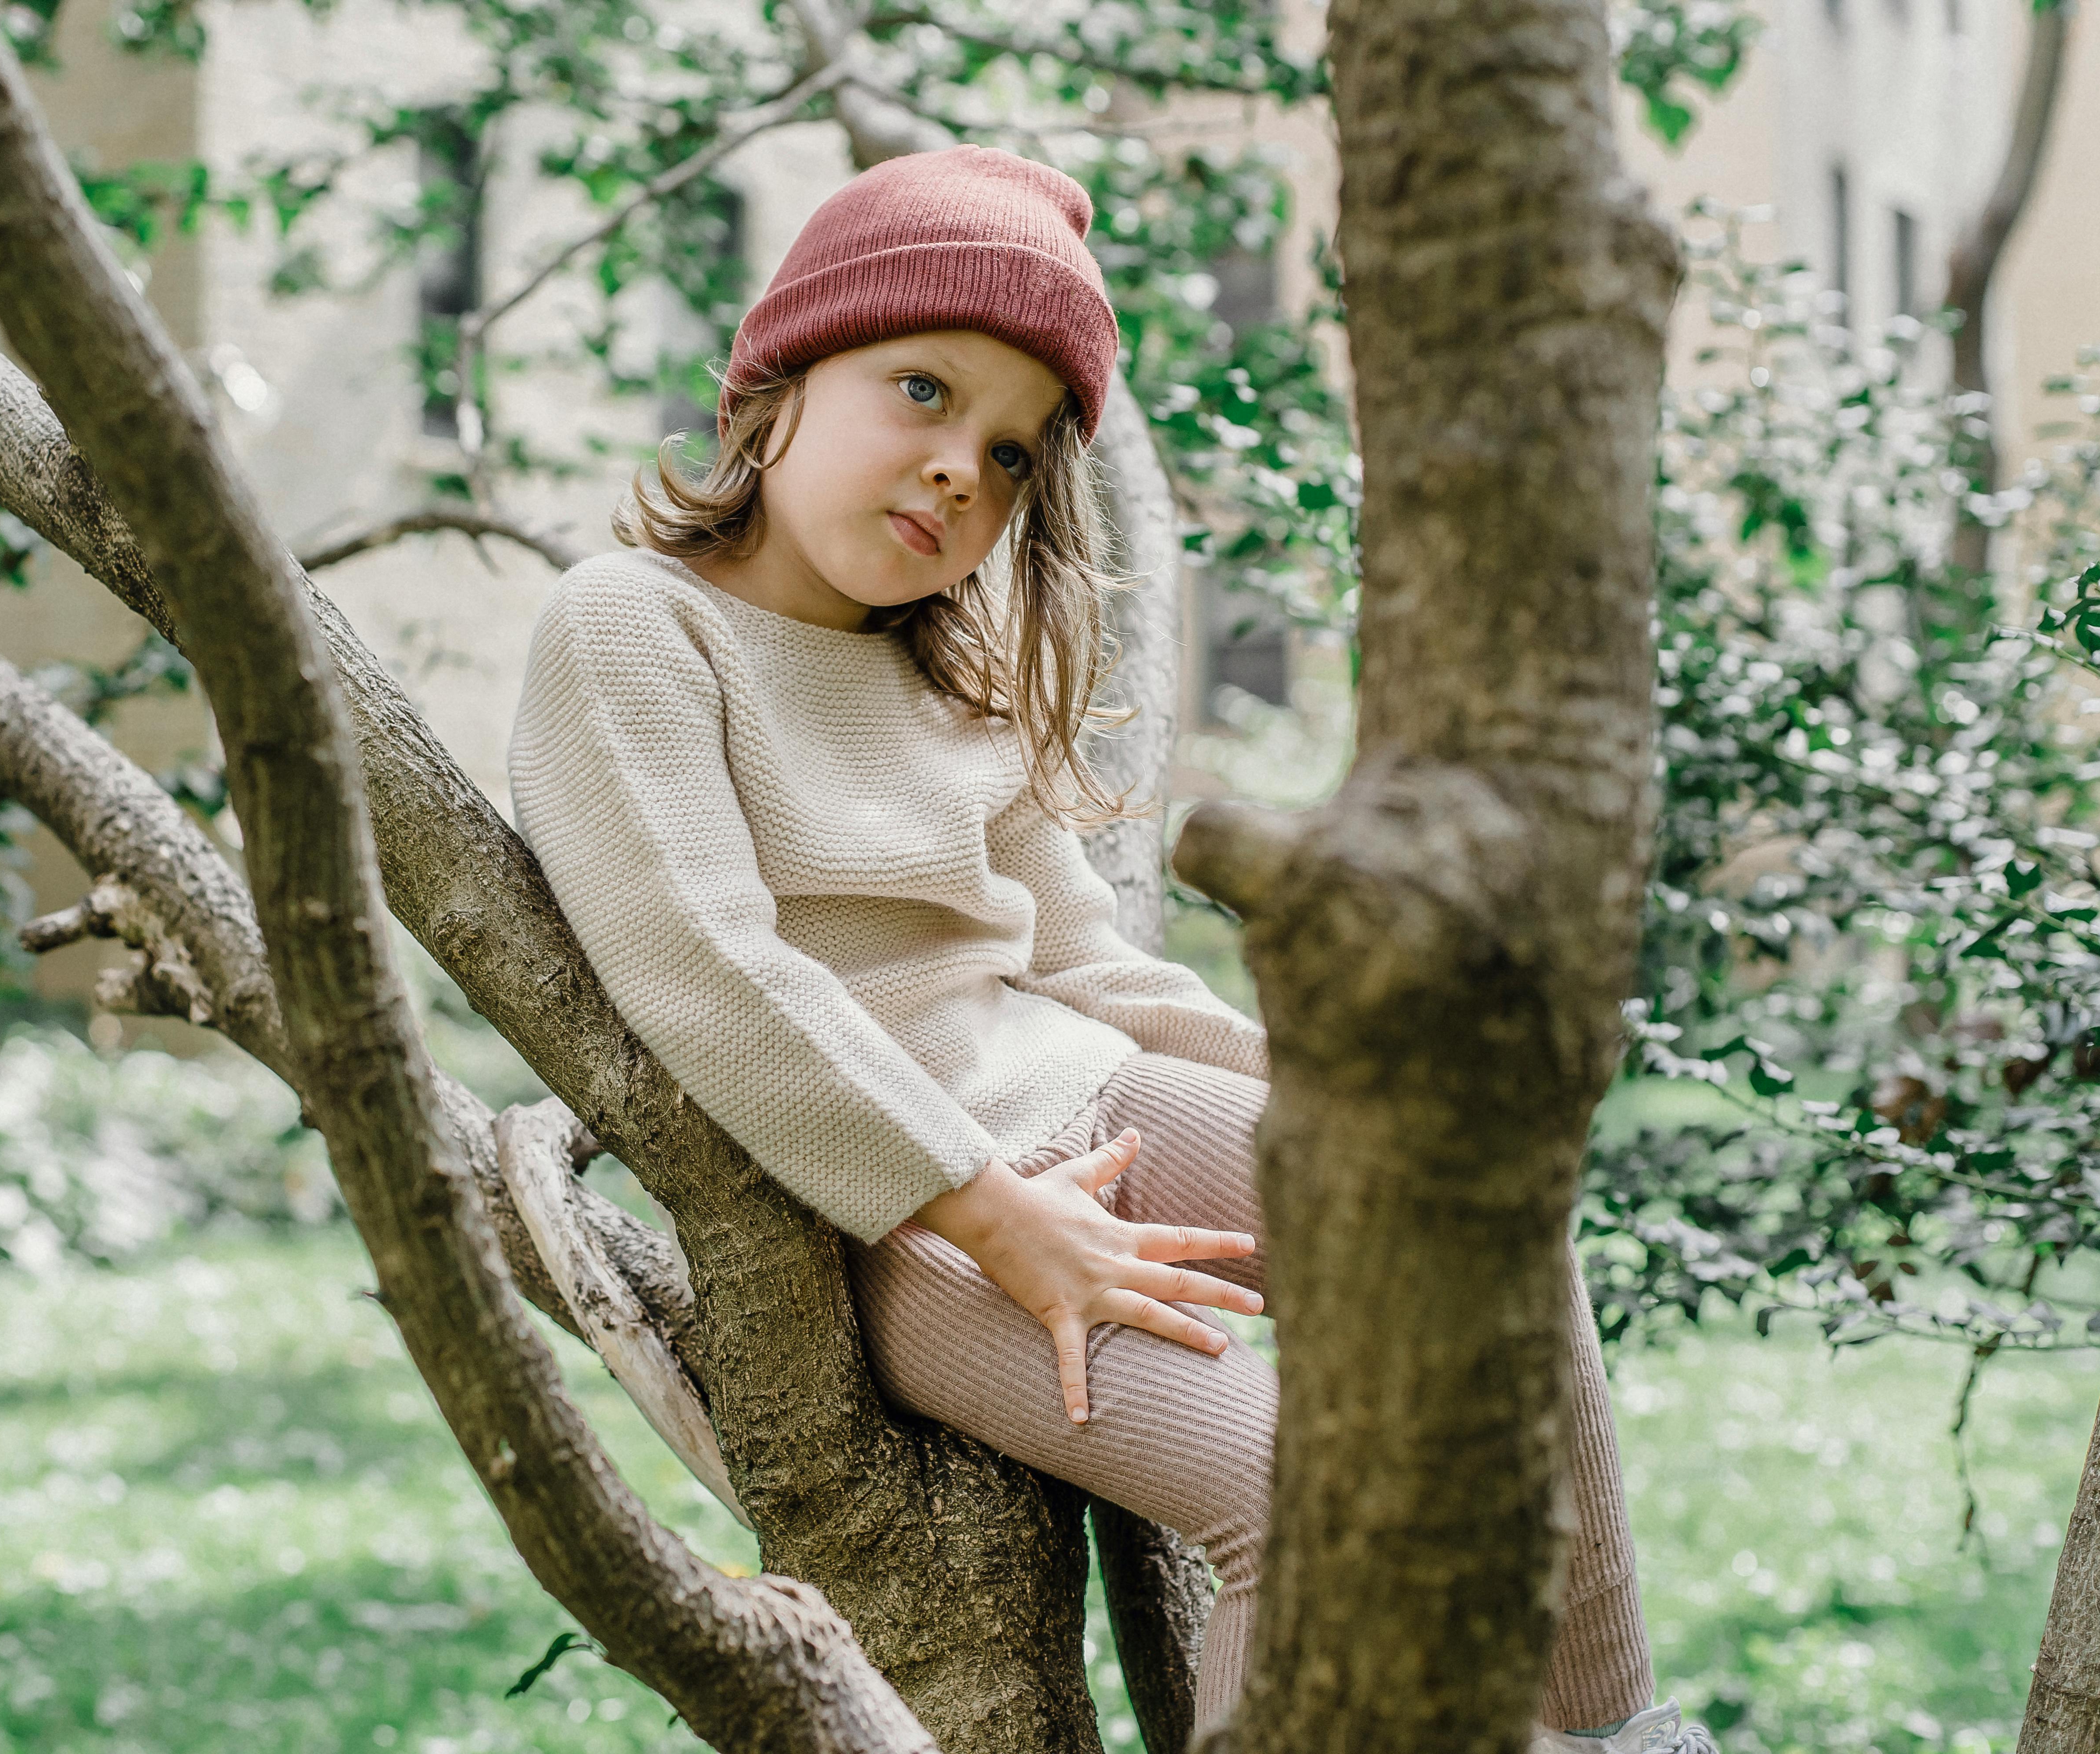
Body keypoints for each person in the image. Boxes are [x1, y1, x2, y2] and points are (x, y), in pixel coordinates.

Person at [507, 143, 1707, 1754]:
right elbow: (717, 978)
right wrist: (994, 1215)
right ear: (777, 382)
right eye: (921, 393)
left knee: (1485, 1200)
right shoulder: (634, 628)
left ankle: (1612, 1732)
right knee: (1302, 1503)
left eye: (1009, 456)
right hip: (912, 1224)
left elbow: (1089, 970)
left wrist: (1362, 1096)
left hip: (1095, 1105)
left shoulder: (954, 674)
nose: (959, 473)